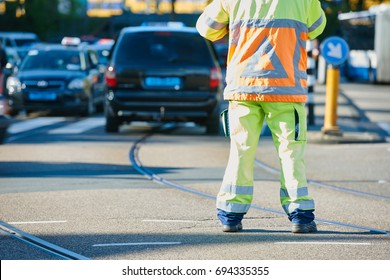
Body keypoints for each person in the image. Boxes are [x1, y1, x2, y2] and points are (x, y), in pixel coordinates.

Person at [196, 0, 326, 233]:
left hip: (243, 87)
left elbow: (206, 28)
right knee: (291, 152)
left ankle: (231, 215)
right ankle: (300, 216)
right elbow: (317, 27)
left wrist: (232, 24)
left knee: (241, 151)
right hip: (286, 89)